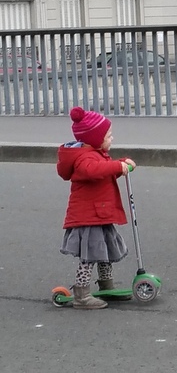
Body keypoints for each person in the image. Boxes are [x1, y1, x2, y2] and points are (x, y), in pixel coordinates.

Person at [57, 107, 136, 309]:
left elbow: (103, 174)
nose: (112, 138)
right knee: (90, 255)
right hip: (88, 216)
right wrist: (118, 166)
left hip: (99, 214)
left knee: (105, 251)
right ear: (95, 138)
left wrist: (120, 164)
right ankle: (81, 293)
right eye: (108, 135)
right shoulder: (86, 158)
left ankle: (106, 285)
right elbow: (93, 171)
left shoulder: (96, 154)